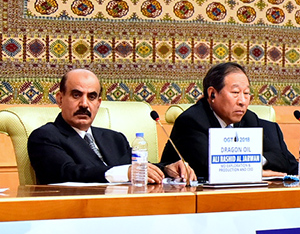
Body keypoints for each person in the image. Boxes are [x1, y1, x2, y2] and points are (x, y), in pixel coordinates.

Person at [28, 69, 193, 185]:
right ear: (60, 99)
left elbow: (138, 168)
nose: (84, 104)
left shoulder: (114, 138)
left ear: (98, 103)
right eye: (76, 95)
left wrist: (167, 169)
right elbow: (67, 173)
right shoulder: (45, 137)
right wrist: (125, 173)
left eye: (91, 97)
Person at [160, 62, 298, 180]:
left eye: (246, 93)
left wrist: (255, 162)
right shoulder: (192, 121)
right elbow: (211, 166)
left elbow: (284, 161)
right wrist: (254, 172)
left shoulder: (249, 119)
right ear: (212, 94)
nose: (243, 101)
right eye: (235, 93)